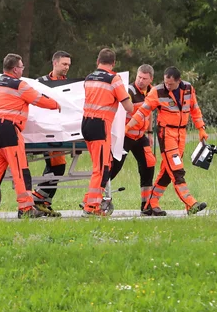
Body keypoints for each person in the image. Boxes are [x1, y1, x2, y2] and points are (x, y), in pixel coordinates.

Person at [0, 53, 61, 219]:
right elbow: (38, 99)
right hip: (9, 132)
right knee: (21, 171)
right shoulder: (19, 85)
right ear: (15, 69)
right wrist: (56, 104)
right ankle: (26, 209)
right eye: (21, 67)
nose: (23, 70)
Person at [126, 67, 208, 216]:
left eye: (170, 84)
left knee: (166, 172)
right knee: (177, 170)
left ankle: (150, 203)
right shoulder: (157, 92)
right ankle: (190, 203)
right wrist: (128, 126)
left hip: (181, 133)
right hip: (166, 134)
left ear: (178, 81)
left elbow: (195, 109)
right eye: (165, 82)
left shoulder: (188, 89)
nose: (167, 86)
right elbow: (143, 111)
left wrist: (201, 128)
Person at [81, 48, 134, 216]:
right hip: (101, 126)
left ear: (97, 61)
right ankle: (92, 207)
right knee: (102, 168)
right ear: (114, 63)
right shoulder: (114, 79)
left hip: (86, 124)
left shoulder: (89, 78)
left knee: (103, 163)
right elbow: (128, 107)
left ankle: (89, 199)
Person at [109, 64, 157, 211]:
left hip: (140, 136)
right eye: (139, 77)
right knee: (114, 167)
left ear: (151, 79)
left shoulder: (152, 92)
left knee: (149, 164)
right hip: (125, 135)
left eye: (144, 78)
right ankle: (94, 199)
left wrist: (149, 133)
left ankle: (146, 205)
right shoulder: (129, 91)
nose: (141, 81)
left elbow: (148, 114)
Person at [33, 51, 71, 217]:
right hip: (46, 131)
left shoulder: (69, 84)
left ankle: (43, 202)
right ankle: (38, 197)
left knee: (56, 167)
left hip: (62, 132)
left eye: (68, 65)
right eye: (64, 64)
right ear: (54, 63)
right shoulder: (41, 82)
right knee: (56, 166)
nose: (67, 67)